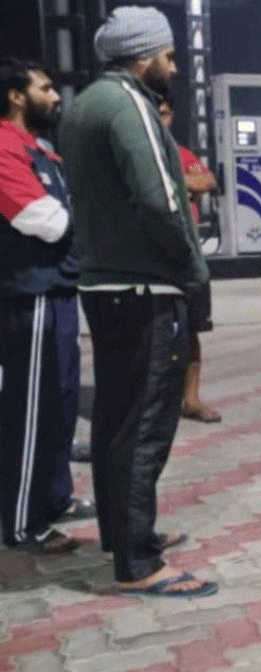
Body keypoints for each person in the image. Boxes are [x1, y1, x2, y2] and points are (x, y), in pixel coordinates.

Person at [58, 5, 216, 596]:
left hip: (105, 286)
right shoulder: (130, 105)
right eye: (169, 56)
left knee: (116, 423)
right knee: (147, 423)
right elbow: (161, 199)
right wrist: (191, 266)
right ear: (143, 55)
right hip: (146, 286)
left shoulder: (83, 106)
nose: (173, 67)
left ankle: (123, 534)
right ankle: (138, 560)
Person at [0, 57, 94, 554]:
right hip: (30, 296)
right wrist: (85, 210)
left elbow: (65, 214)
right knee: (29, 413)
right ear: (17, 96)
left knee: (59, 406)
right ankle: (21, 523)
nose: (56, 96)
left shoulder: (43, 151)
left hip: (59, 290)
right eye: (46, 88)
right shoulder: (3, 146)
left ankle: (54, 500)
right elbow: (46, 221)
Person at [157, 94, 221, 424]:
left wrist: (173, 183)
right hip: (153, 260)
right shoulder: (136, 154)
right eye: (155, 113)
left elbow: (207, 180)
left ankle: (191, 400)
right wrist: (186, 187)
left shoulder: (181, 154)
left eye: (165, 113)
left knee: (192, 331)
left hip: (188, 257)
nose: (160, 119)